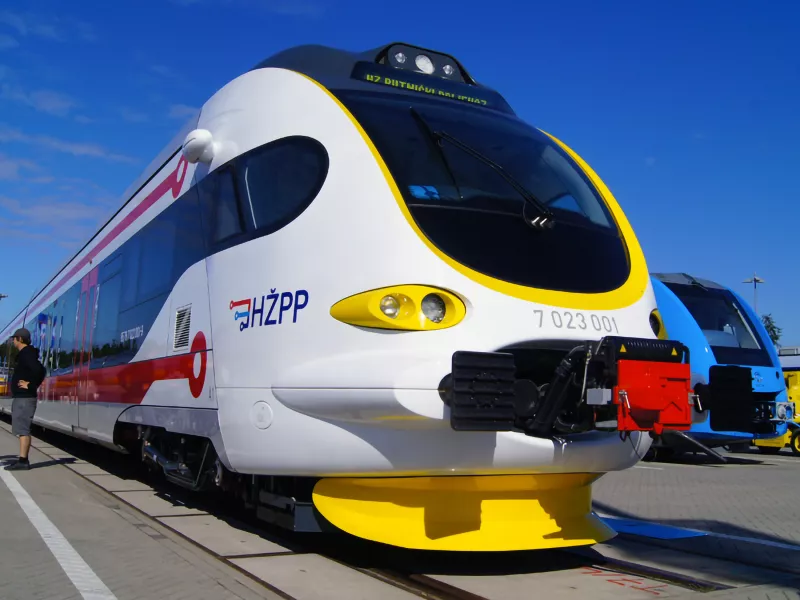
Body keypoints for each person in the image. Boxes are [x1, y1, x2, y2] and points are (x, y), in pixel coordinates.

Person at [6, 328, 45, 471]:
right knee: (21, 428)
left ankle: (23, 461)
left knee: (23, 429)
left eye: (14, 338)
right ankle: (22, 459)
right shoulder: (27, 354)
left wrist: (31, 385)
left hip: (25, 398)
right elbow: (41, 369)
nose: (13, 341)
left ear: (20, 339)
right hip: (23, 397)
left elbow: (40, 370)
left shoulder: (26, 354)